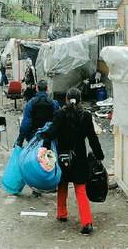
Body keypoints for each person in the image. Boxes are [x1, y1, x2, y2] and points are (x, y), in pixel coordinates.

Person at [42, 87, 104, 235]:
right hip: (80, 158)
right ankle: (86, 222)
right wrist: (99, 155)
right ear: (80, 99)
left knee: (62, 185)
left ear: (66, 99)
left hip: (63, 158)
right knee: (80, 189)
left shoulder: (60, 114)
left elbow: (51, 133)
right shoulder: (86, 116)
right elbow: (92, 138)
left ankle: (62, 214)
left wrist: (44, 146)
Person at [15, 79, 60, 147]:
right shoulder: (54, 104)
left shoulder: (30, 103)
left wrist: (20, 139)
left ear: (36, 88)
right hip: (49, 139)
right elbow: (58, 122)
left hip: (34, 137)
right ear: (47, 88)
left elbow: (26, 124)